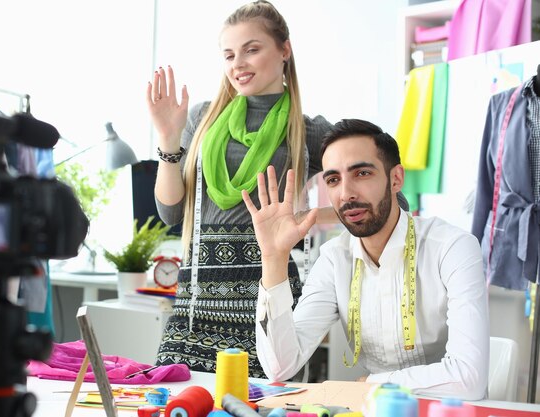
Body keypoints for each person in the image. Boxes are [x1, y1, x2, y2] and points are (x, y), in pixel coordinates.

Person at [146, 1, 407, 377]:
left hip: (270, 305)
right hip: (194, 307)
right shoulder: (202, 120)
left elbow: (392, 200)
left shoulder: (307, 130)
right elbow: (171, 213)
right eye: (229, 54)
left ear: (284, 50)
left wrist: (304, 219)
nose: (238, 64)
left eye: (252, 49)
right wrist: (168, 139)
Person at [243, 119, 489, 400]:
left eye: (361, 173)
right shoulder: (335, 259)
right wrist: (273, 258)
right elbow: (279, 367)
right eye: (333, 180)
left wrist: (374, 383)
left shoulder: (453, 248)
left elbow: (469, 378)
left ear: (395, 179)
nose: (346, 193)